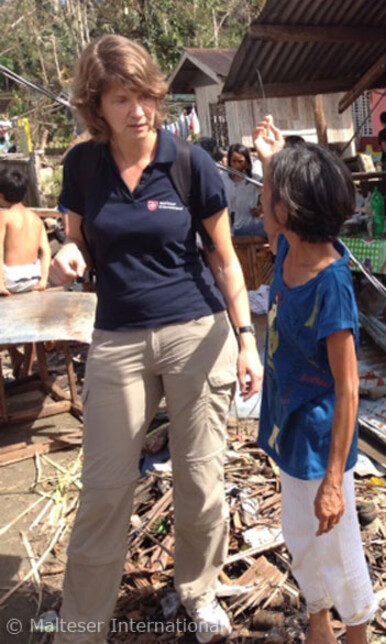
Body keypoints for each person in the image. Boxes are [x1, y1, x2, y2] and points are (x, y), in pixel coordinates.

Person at [49, 35, 263, 644]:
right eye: (122, 99)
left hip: (197, 333)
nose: (138, 110)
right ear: (98, 105)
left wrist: (246, 340)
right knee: (105, 487)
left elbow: (225, 260)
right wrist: (66, 254)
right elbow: (78, 243)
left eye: (145, 95)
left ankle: (197, 590)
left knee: (200, 478)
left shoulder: (189, 162)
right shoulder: (82, 165)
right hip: (117, 338)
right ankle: (81, 624)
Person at [253, 115, 377, 644]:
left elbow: (349, 387)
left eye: (269, 197)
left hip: (322, 443)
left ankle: (356, 631)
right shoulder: (289, 250)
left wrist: (333, 482)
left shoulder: (332, 285)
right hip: (291, 428)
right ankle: (320, 624)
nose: (261, 204)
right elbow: (273, 203)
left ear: (289, 211)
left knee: (338, 546)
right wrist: (272, 160)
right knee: (301, 537)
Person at [0, 165, 49, 295]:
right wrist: (43, 280)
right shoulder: (36, 219)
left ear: (1, 195)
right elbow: (46, 250)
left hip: (11, 280)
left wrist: (0, 284)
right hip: (34, 278)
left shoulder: (4, 217)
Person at [221, 143, 266, 238]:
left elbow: (265, 194)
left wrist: (260, 207)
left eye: (240, 162)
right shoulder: (223, 180)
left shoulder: (254, 180)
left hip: (253, 224)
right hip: (236, 227)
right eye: (233, 161)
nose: (236, 165)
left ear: (247, 162)